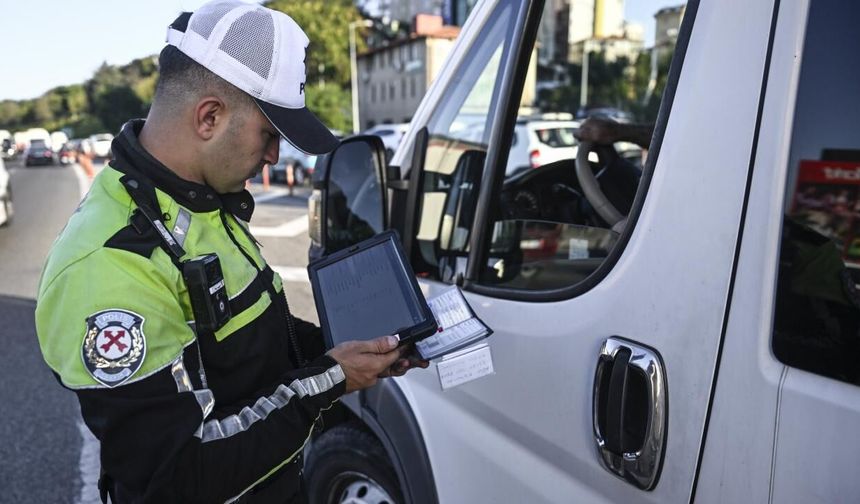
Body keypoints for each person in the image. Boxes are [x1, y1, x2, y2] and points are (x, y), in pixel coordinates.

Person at [34, 2, 427, 502]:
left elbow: (253, 348)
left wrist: (356, 345)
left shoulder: (196, 200)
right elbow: (176, 476)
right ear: (210, 117)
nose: (273, 158)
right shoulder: (107, 266)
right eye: (269, 134)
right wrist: (331, 377)